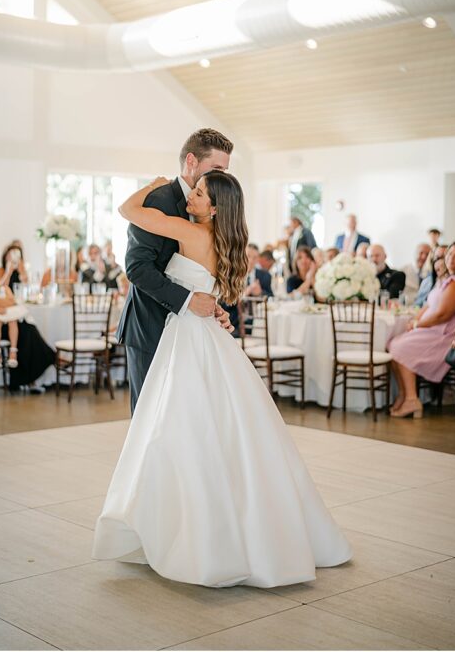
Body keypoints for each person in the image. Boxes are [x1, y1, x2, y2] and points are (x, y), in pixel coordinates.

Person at [93, 170, 352, 587]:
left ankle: (188, 530)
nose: (189, 197)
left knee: (174, 429)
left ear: (214, 208)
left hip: (185, 339)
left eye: (198, 194)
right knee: (224, 429)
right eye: (192, 191)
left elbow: (127, 210)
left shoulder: (188, 232)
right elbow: (211, 291)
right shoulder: (229, 246)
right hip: (208, 336)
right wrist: (213, 306)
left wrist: (154, 183)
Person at [115, 128, 234, 414]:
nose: (223, 177)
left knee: (188, 420)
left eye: (226, 171)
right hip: (151, 327)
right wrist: (189, 301)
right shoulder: (160, 200)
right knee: (150, 420)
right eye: (216, 168)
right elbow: (137, 268)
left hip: (192, 335)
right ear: (191, 161)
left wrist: (213, 306)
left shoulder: (213, 205)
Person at [387, 242, 455, 419]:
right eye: (449, 255)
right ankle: (404, 394)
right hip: (437, 330)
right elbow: (429, 305)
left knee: (399, 348)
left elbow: (442, 314)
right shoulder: (447, 280)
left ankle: (412, 400)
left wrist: (418, 325)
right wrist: (416, 319)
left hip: (448, 336)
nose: (451, 259)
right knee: (393, 344)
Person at [0, 245, 54, 390]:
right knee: (25, 329)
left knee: (24, 326)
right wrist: (12, 301)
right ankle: (29, 374)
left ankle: (25, 376)